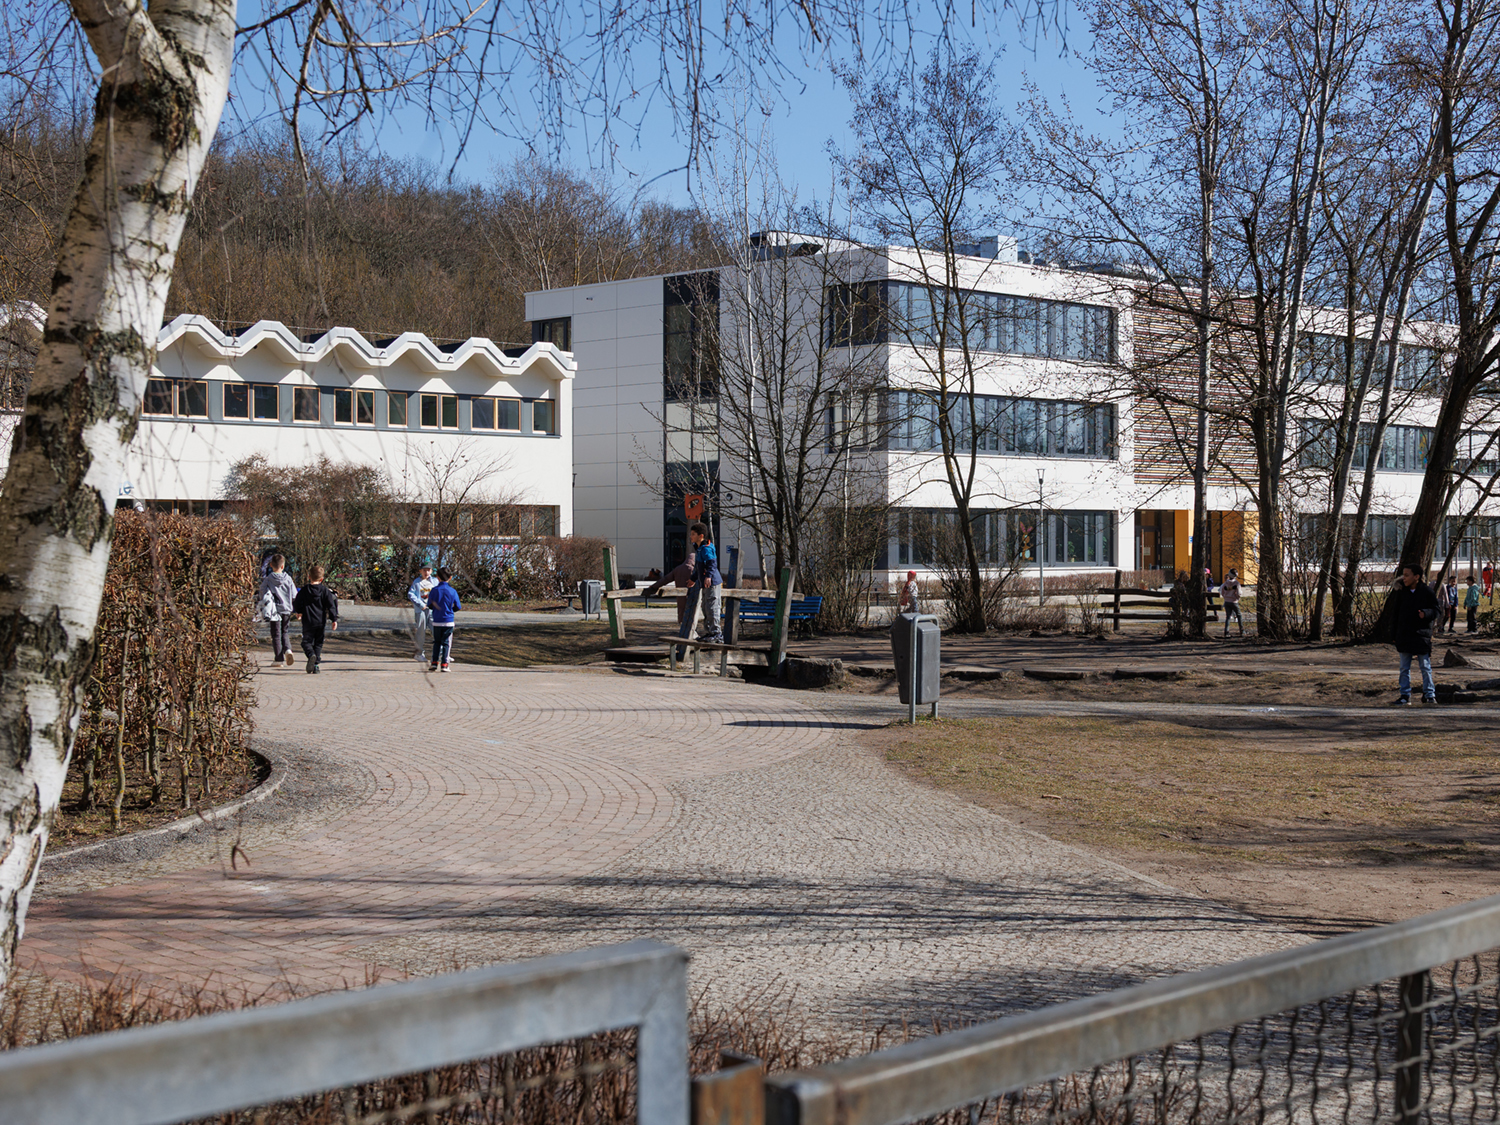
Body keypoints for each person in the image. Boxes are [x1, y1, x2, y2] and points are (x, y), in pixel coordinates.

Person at [1392, 564, 1439, 706]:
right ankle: (1405, 695)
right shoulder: (1401, 592)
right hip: (1404, 635)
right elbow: (1395, 614)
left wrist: (1426, 613)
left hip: (1421, 635)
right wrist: (1394, 634)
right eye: (1403, 575)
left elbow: (1436, 610)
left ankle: (1429, 694)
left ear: (1416, 577)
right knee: (1404, 667)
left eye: (1407, 575)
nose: (1404, 578)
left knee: (1425, 666)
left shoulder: (1427, 592)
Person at [291, 564, 339, 674]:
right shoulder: (325, 591)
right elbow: (331, 606)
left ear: (309, 577)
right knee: (318, 643)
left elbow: (297, 601)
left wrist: (299, 611)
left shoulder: (304, 590)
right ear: (322, 579)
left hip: (308, 621)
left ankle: (310, 654)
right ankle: (316, 665)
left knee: (306, 642)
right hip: (320, 621)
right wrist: (334, 619)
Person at [258, 553, 297, 667]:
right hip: (286, 610)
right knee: (284, 632)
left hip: (274, 611)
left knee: (276, 635)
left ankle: (279, 659)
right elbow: (294, 595)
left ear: (271, 565)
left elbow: (262, 592)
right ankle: (288, 650)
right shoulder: (288, 579)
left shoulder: (268, 579)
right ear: (283, 566)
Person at [689, 521, 723, 643]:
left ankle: (717, 633)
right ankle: (709, 632)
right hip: (705, 583)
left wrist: (708, 576)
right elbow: (699, 567)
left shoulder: (706, 548)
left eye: (693, 534)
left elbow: (712, 564)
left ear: (701, 536)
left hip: (712, 582)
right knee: (706, 608)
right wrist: (693, 579)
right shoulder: (699, 549)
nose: (691, 536)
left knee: (712, 607)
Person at [426, 566, 461, 672]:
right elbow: (458, 606)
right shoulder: (452, 591)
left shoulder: (434, 590)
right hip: (448, 621)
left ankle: (434, 663)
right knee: (446, 643)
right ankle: (444, 664)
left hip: (437, 621)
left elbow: (429, 604)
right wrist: (451, 610)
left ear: (437, 577)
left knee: (436, 642)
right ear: (450, 577)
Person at [407, 563, 438, 661]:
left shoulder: (435, 581)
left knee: (436, 630)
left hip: (432, 610)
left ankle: (441, 653)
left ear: (431, 571)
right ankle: (419, 653)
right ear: (420, 571)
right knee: (421, 631)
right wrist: (421, 604)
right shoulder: (417, 582)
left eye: (428, 570)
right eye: (424, 570)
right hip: (420, 610)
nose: (426, 572)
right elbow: (411, 594)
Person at [1220, 567, 1243, 637]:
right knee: (1239, 615)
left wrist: (1225, 597)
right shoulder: (1236, 583)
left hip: (1227, 601)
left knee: (1228, 617)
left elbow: (1222, 592)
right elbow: (1239, 593)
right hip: (1234, 601)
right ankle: (1242, 631)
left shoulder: (1225, 583)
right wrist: (1237, 598)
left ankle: (1226, 632)